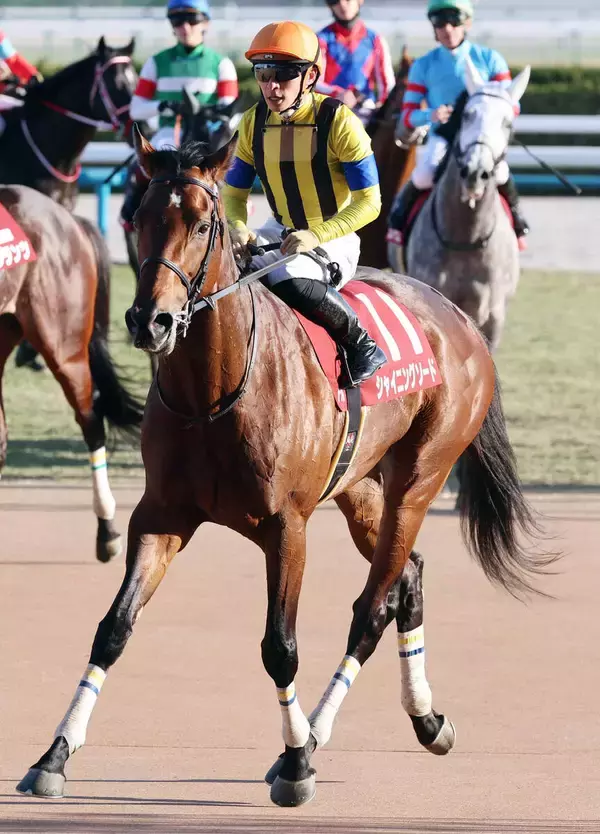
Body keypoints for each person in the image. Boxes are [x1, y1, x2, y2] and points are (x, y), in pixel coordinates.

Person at [222, 21, 386, 387]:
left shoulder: (340, 121)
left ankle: (362, 345)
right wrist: (236, 227)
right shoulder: (251, 124)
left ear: (310, 75)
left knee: (288, 276)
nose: (271, 86)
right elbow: (233, 194)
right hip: (277, 229)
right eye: (263, 74)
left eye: (283, 74)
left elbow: (370, 202)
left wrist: (316, 235)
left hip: (333, 234)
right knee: (222, 274)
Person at [388, 0, 529, 247]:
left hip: (480, 137)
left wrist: (496, 114)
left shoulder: (490, 59)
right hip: (443, 135)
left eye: (454, 21)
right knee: (423, 174)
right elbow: (408, 115)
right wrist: (431, 115)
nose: (448, 28)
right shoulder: (423, 65)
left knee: (502, 172)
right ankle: (397, 223)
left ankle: (517, 223)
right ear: (434, 27)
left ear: (467, 23)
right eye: (440, 22)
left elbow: (512, 104)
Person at [120, 0, 238, 231]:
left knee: (226, 174)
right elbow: (136, 108)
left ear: (205, 23)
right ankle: (130, 219)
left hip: (206, 136)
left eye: (192, 20)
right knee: (143, 167)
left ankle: (232, 224)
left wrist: (205, 112)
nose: (185, 27)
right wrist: (165, 105)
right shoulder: (156, 62)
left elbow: (230, 112)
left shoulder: (221, 64)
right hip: (167, 134)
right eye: (177, 20)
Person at [316, 0, 395, 125]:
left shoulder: (376, 40)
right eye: (334, 1)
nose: (342, 4)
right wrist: (339, 94)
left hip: (367, 114)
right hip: (331, 112)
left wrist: (381, 105)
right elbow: (314, 82)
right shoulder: (320, 40)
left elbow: (387, 84)